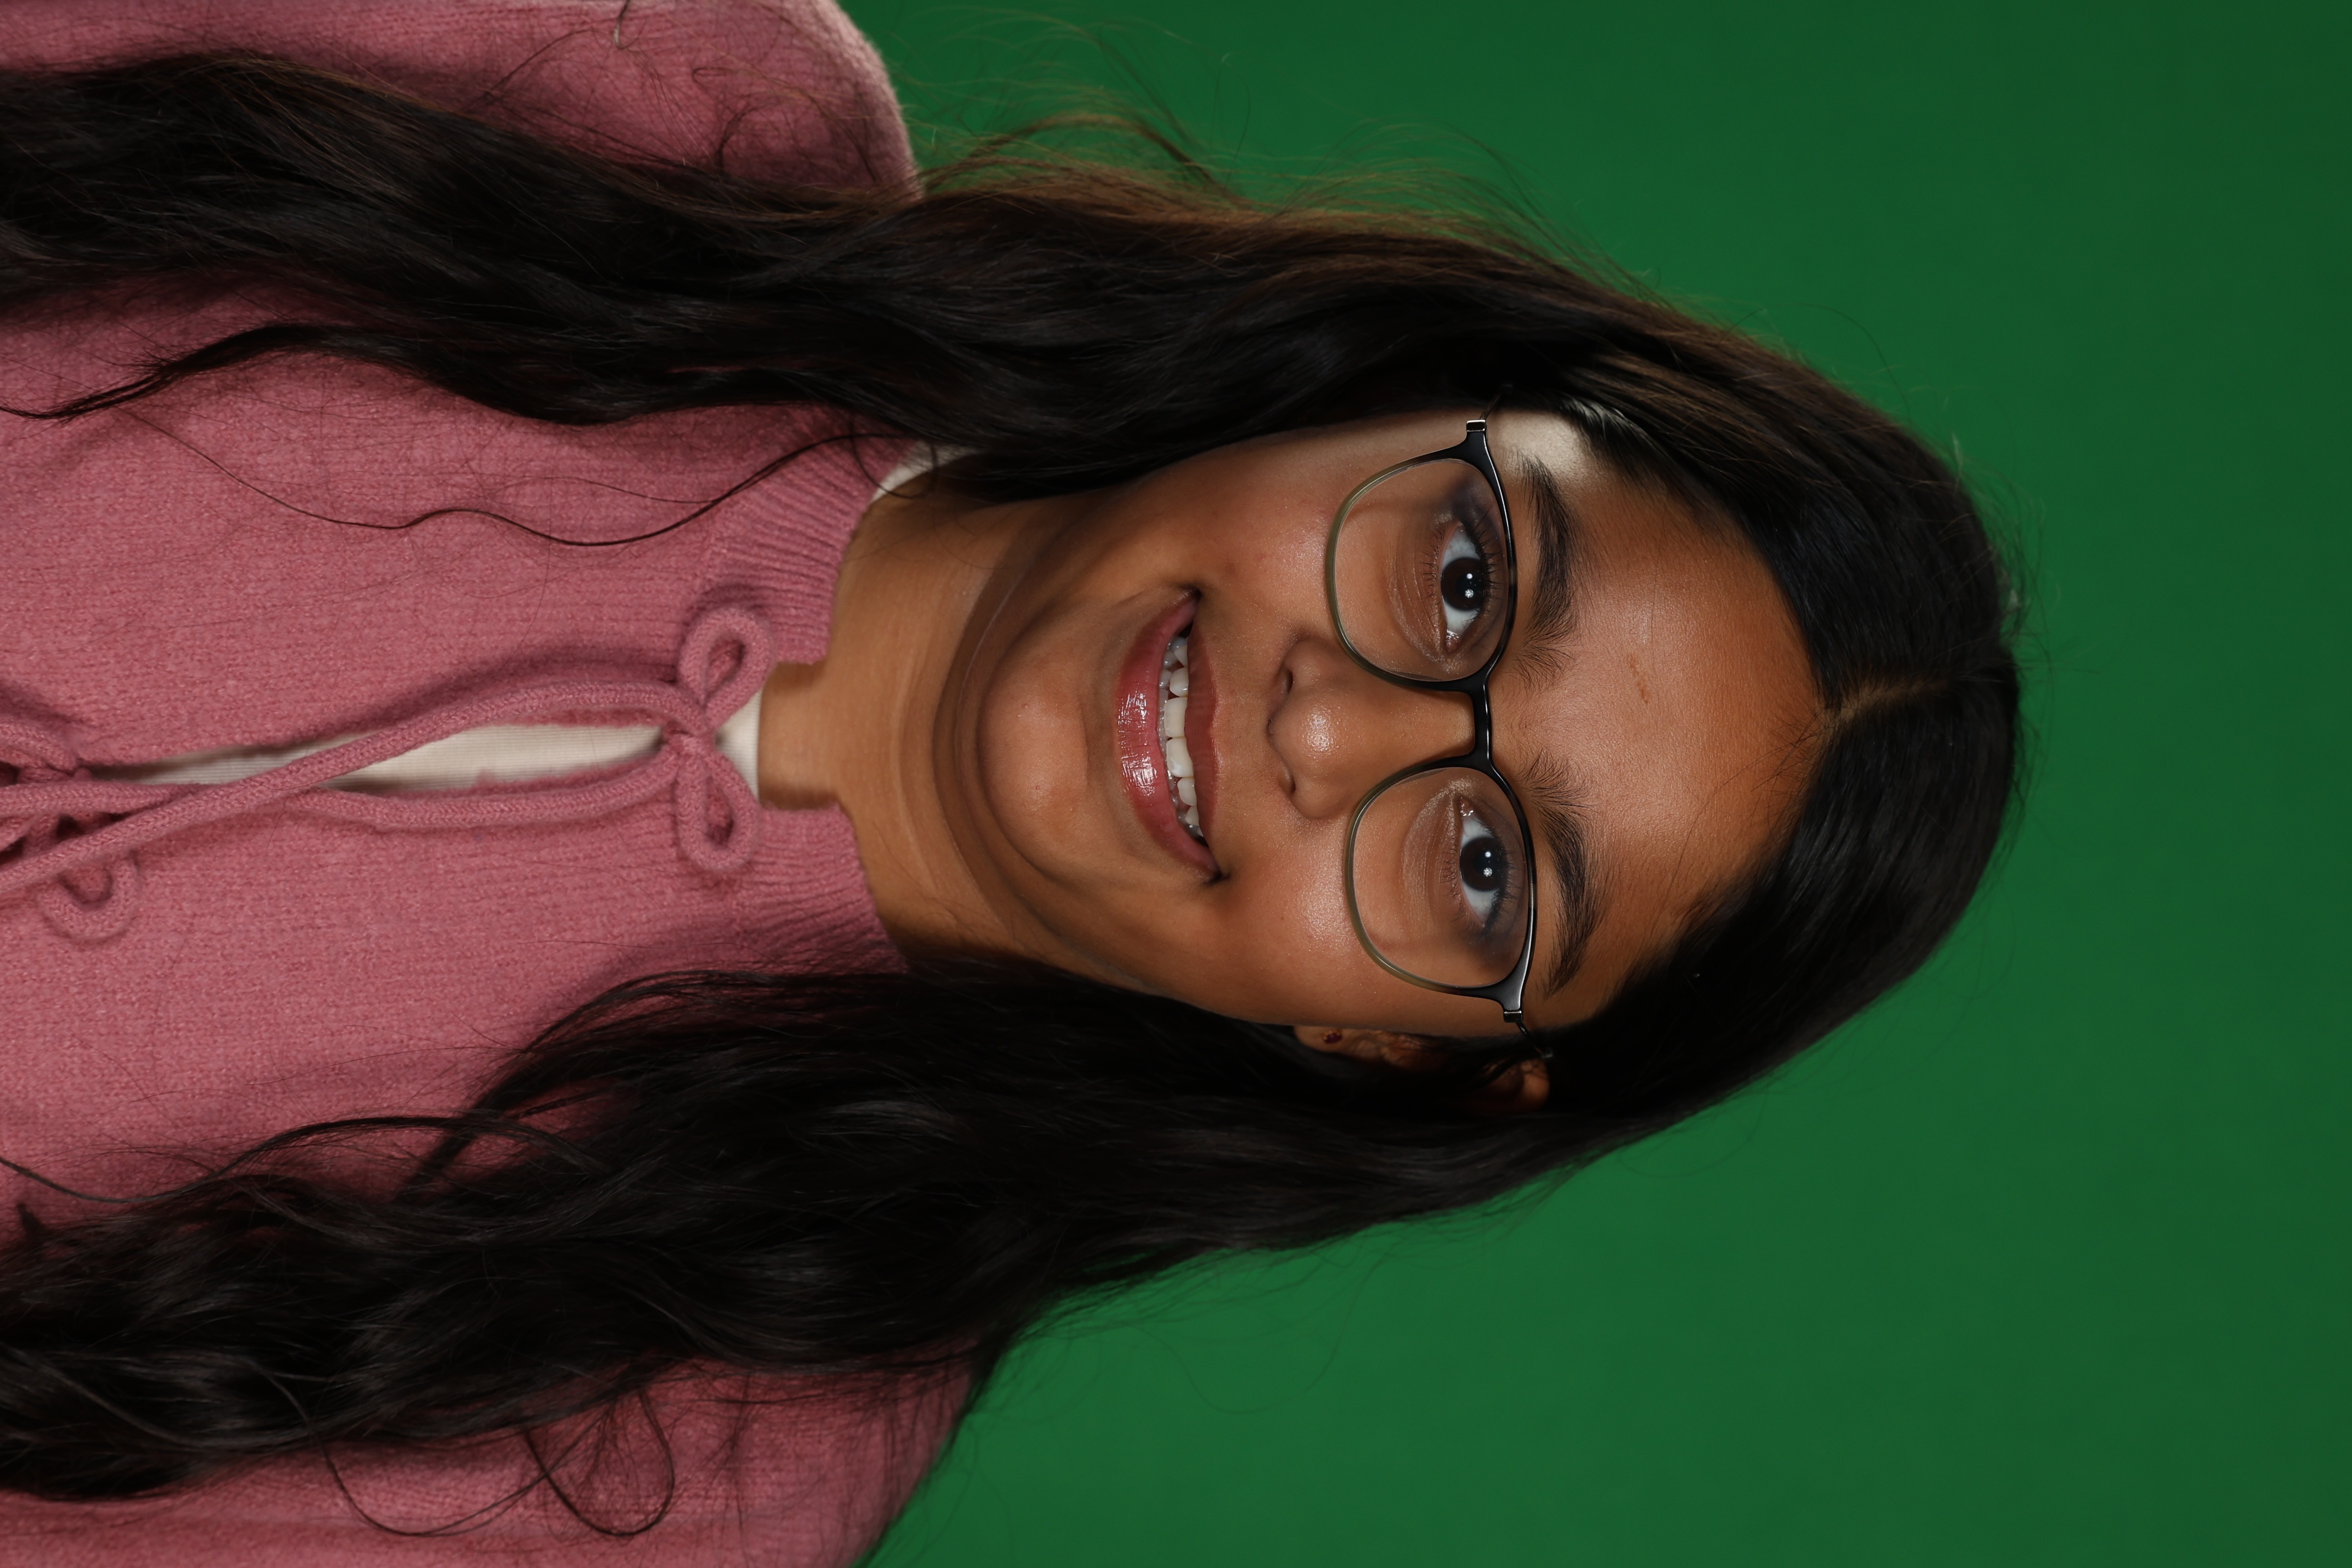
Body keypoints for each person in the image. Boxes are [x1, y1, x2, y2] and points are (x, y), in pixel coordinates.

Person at [0, 0, 2020, 1562]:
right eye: (1465, 579)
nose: (1327, 726)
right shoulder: (657, 79)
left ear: (1398, 1049)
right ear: (1395, 391)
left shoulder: (723, 1458)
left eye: (1486, 869)